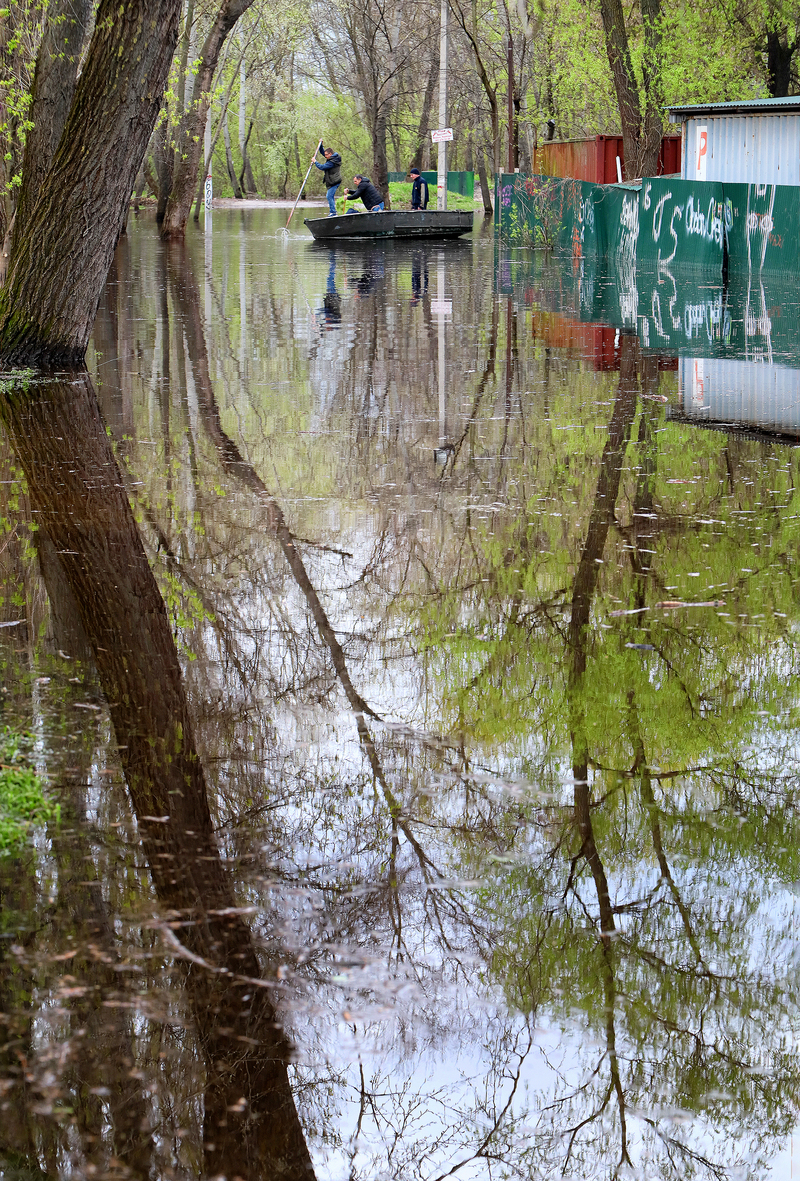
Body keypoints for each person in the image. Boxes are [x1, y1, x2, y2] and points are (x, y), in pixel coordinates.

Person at [313, 143, 342, 216]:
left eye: (326, 155)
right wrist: (320, 145)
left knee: (329, 196)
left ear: (330, 154)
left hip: (334, 181)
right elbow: (323, 152)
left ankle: (333, 212)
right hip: (332, 181)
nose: (325, 156)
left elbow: (322, 167)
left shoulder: (332, 162)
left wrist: (315, 162)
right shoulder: (333, 158)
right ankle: (333, 211)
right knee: (329, 196)